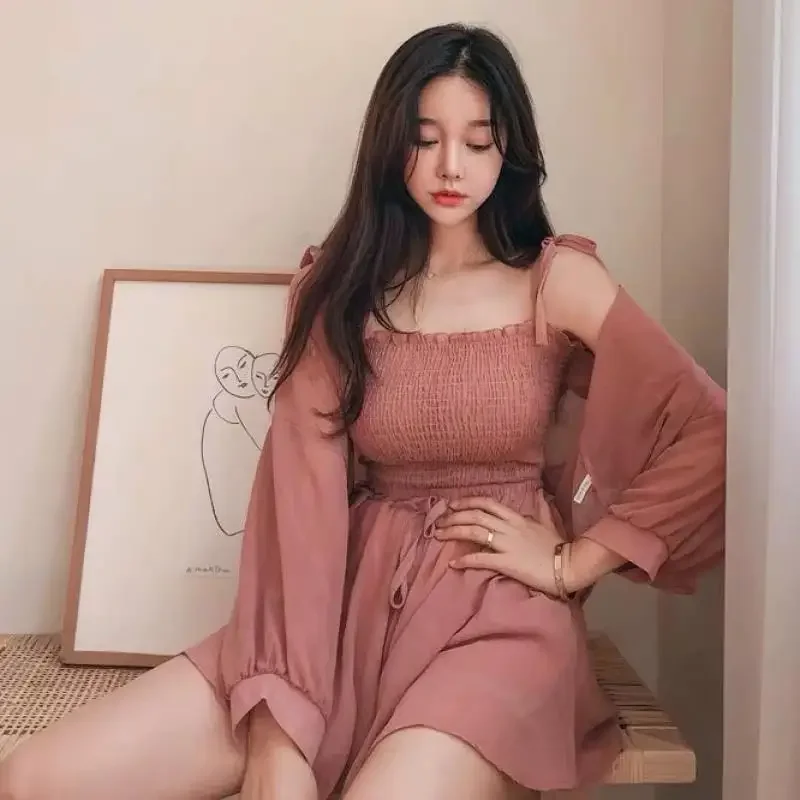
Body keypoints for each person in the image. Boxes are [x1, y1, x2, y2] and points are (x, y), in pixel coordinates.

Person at [0, 22, 726, 800]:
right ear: (389, 144)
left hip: (499, 624)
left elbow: (711, 428)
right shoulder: (338, 292)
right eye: (425, 138)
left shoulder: (559, 282)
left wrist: (573, 561)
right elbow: (299, 505)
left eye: (479, 141)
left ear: (509, 150)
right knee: (34, 778)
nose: (451, 166)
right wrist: (279, 732)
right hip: (340, 609)